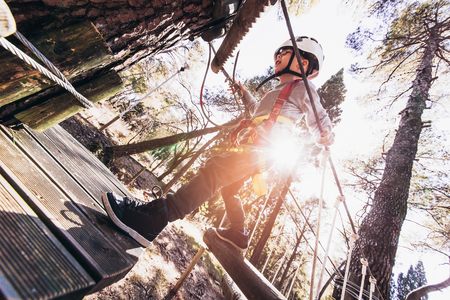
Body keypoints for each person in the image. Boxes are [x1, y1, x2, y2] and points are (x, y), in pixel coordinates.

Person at [102, 36, 334, 253]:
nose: (277, 56)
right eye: (278, 53)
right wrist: (244, 93)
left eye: (284, 53)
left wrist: (324, 132)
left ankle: (153, 219)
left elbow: (317, 113)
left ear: (302, 63)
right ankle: (239, 233)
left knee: (214, 172)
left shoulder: (303, 87)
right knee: (229, 188)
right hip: (258, 149)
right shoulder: (276, 92)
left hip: (262, 150)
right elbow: (257, 112)